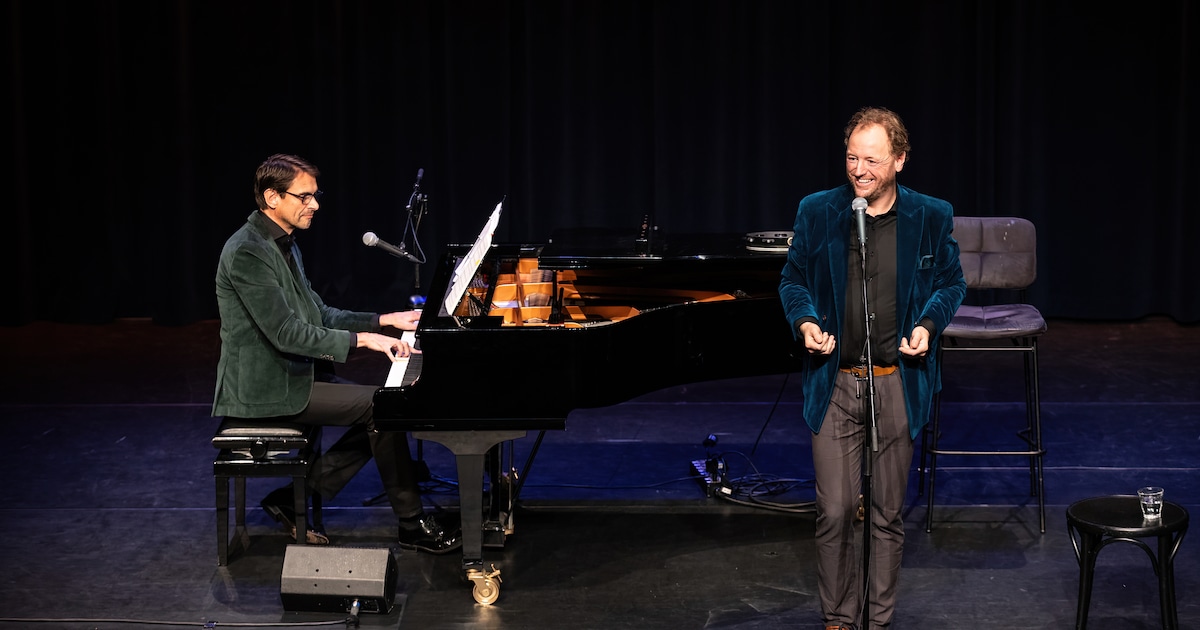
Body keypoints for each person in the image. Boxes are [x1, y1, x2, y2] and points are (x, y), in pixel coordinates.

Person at [212, 153, 461, 554]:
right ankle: (411, 524)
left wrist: (387, 319)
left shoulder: (281, 243)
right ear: (273, 197)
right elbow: (286, 332)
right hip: (264, 387)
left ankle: (292, 501)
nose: (315, 204)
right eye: (305, 196)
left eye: (315, 195)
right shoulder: (248, 252)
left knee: (382, 409)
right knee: (382, 408)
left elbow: (319, 313)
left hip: (293, 374)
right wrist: (365, 341)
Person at [779, 107, 966, 629]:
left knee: (886, 517)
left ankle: (877, 621)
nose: (859, 169)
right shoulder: (818, 211)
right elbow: (792, 280)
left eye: (872, 160)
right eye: (851, 157)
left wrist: (928, 323)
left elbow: (951, 283)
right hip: (836, 383)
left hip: (896, 385)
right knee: (835, 511)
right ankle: (838, 620)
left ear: (900, 160)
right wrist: (806, 322)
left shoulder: (931, 215)